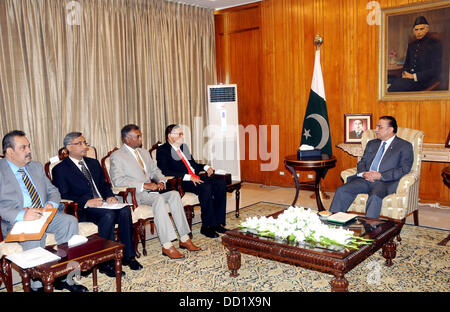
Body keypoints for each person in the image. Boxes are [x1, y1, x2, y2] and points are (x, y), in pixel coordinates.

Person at [0, 130, 86, 292]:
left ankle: (64, 277)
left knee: (69, 221)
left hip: (44, 214)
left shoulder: (36, 167)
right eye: (23, 148)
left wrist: (51, 205)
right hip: (17, 221)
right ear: (10, 152)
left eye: (29, 146)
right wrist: (22, 215)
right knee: (34, 235)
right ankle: (37, 285)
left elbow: (53, 191)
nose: (29, 151)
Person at [52, 132, 142, 276]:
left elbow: (104, 184)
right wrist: (86, 201)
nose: (84, 146)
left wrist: (110, 196)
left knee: (124, 210)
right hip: (83, 208)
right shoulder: (60, 169)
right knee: (108, 215)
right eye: (79, 143)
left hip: (104, 204)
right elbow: (63, 194)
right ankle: (106, 262)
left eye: (85, 142)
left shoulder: (93, 163)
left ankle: (128, 256)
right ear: (68, 147)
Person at [109, 124, 201, 260]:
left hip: (152, 192)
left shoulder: (144, 152)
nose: (141, 139)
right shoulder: (117, 156)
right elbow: (118, 181)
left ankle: (184, 238)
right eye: (138, 136)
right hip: (134, 194)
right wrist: (144, 185)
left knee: (174, 195)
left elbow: (155, 171)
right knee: (158, 200)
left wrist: (162, 181)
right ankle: (167, 245)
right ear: (127, 139)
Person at [329, 116, 414, 218]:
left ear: (390, 130)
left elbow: (404, 169)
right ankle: (334, 222)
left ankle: (371, 230)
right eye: (377, 127)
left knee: (374, 197)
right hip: (364, 179)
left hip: (384, 182)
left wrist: (380, 176)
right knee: (342, 190)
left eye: (380, 127)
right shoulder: (372, 143)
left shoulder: (404, 146)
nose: (376, 130)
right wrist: (364, 173)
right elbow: (362, 162)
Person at [156, 124, 228, 239]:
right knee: (206, 187)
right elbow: (165, 171)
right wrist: (188, 177)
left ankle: (217, 223)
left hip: (195, 177)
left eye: (182, 133)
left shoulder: (184, 147)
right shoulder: (162, 150)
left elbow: (193, 165)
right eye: (179, 134)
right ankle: (207, 227)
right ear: (170, 136)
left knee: (220, 184)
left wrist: (206, 167)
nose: (182, 136)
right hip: (181, 182)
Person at [388, 16, 442, 92]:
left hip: (423, 81)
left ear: (427, 29)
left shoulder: (434, 44)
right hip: (409, 79)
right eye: (416, 30)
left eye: (421, 29)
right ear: (413, 31)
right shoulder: (411, 45)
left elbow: (435, 70)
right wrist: (405, 73)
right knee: (389, 80)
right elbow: (406, 64)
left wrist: (413, 76)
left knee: (394, 87)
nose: (418, 32)